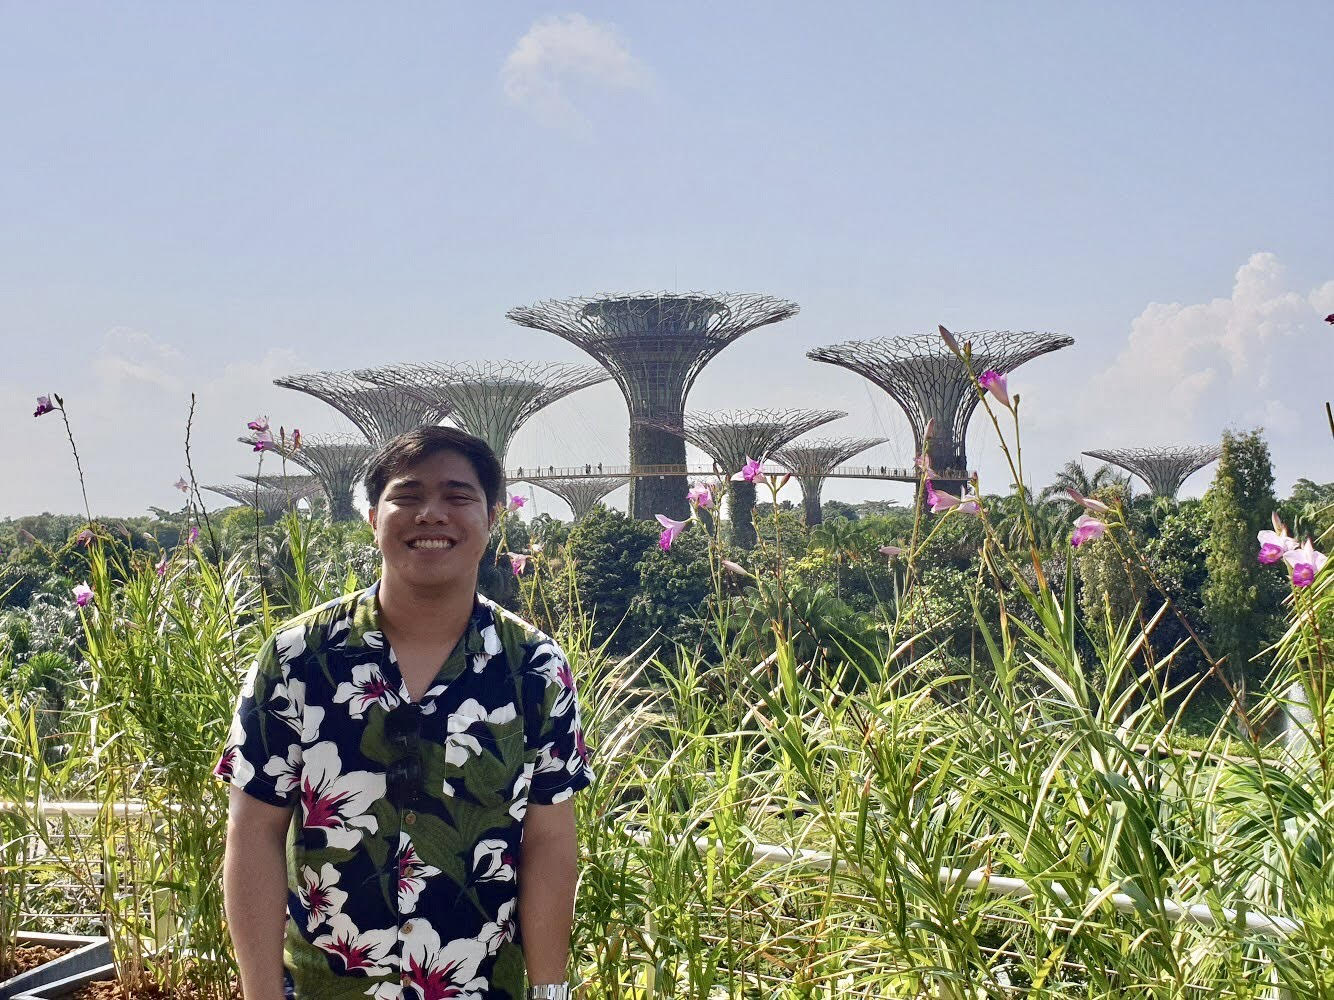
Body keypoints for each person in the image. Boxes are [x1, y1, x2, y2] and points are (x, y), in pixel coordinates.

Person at [217, 425, 592, 1000]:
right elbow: (254, 832)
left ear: (492, 518)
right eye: (407, 496)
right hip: (326, 987)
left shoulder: (535, 669)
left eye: (457, 496)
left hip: (481, 987)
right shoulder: (298, 659)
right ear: (373, 518)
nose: (432, 514)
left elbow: (549, 842)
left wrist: (550, 993)